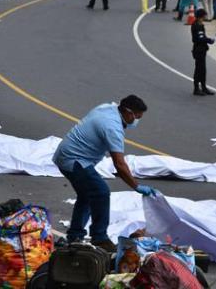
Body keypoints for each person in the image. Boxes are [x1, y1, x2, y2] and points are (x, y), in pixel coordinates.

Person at [53, 95, 156, 253]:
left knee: (87, 195)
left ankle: (75, 236)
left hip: (68, 155)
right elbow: (119, 165)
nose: (137, 121)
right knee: (101, 192)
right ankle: (100, 237)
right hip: (73, 160)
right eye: (137, 117)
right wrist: (137, 186)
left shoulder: (108, 108)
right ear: (128, 113)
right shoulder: (112, 127)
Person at [191, 9, 216, 95]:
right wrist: (210, 40)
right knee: (199, 69)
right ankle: (196, 88)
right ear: (201, 17)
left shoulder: (199, 24)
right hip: (199, 50)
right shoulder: (197, 26)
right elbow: (200, 38)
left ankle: (203, 87)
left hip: (201, 49)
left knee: (202, 70)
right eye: (204, 16)